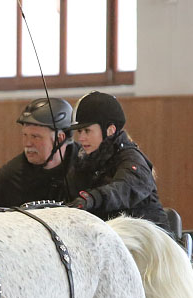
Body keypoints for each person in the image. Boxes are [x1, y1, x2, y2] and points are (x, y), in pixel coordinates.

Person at [67, 91, 168, 228]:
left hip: (146, 239)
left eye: (87, 131)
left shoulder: (132, 159)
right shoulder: (82, 164)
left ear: (110, 130)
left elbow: (122, 189)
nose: (81, 138)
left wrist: (93, 198)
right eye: (79, 132)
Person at [0, 97, 77, 207]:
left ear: (59, 139)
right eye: (25, 135)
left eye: (35, 137)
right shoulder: (9, 178)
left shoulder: (88, 166)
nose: (28, 143)